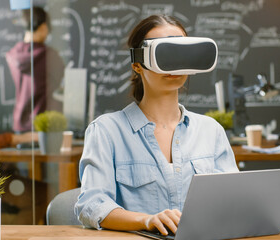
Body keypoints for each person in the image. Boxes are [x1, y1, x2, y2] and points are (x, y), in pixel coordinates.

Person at [75, 15, 239, 235]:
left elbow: (236, 201)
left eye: (181, 53)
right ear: (137, 65)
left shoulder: (210, 130)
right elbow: (92, 206)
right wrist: (147, 220)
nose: (174, 66)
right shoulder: (106, 131)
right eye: (165, 54)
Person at [5, 6, 64, 133]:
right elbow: (57, 83)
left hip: (19, 124)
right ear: (43, 27)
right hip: (42, 124)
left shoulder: (12, 54)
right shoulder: (50, 56)